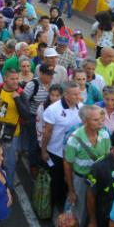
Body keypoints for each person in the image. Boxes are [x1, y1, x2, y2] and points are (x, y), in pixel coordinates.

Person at [63, 105, 112, 227]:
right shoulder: (74, 139)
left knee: (96, 218)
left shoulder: (105, 134)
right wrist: (71, 190)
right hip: (81, 182)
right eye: (95, 119)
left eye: (100, 118)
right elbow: (68, 164)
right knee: (79, 219)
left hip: (99, 182)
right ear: (85, 121)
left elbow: (107, 158)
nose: (100, 122)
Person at [41, 82, 82, 212]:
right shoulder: (53, 110)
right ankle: (52, 206)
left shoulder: (81, 108)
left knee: (68, 181)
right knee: (56, 181)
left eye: (78, 93)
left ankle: (65, 205)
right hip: (56, 153)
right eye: (74, 94)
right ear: (66, 95)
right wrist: (43, 150)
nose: (78, 96)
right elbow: (47, 132)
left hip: (73, 154)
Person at [0, 69, 30, 185]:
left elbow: (26, 115)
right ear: (5, 79)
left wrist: (16, 99)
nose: (15, 81)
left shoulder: (20, 94)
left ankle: (8, 186)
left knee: (9, 161)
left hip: (11, 135)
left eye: (17, 78)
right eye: (12, 79)